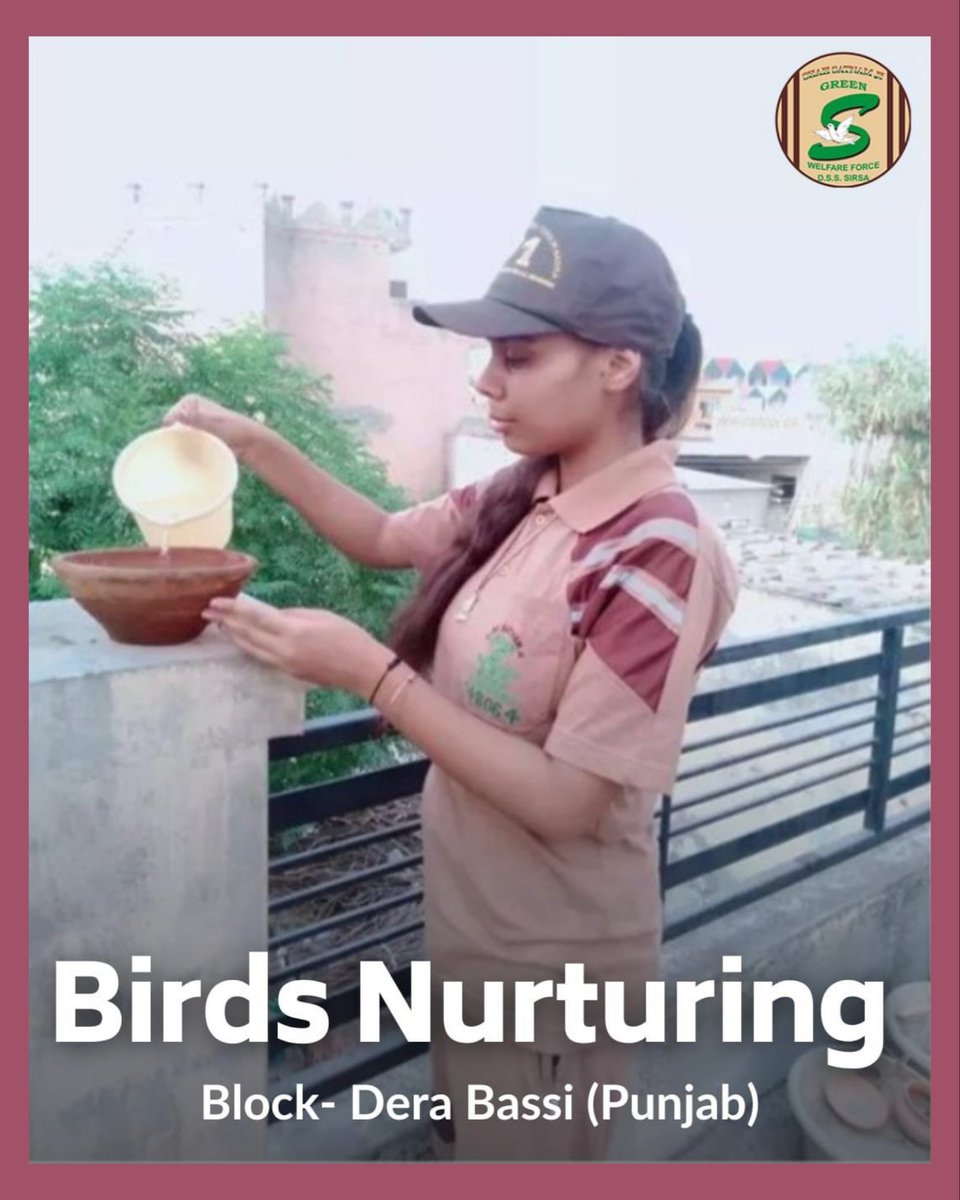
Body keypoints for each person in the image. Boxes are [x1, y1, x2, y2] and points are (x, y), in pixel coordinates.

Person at [165, 206, 739, 1161]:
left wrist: (371, 675)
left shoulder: (655, 547)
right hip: (475, 935)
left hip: (554, 971)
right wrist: (249, 442)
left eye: (517, 356)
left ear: (618, 364)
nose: (486, 382)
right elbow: (384, 538)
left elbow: (566, 801)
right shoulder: (526, 493)